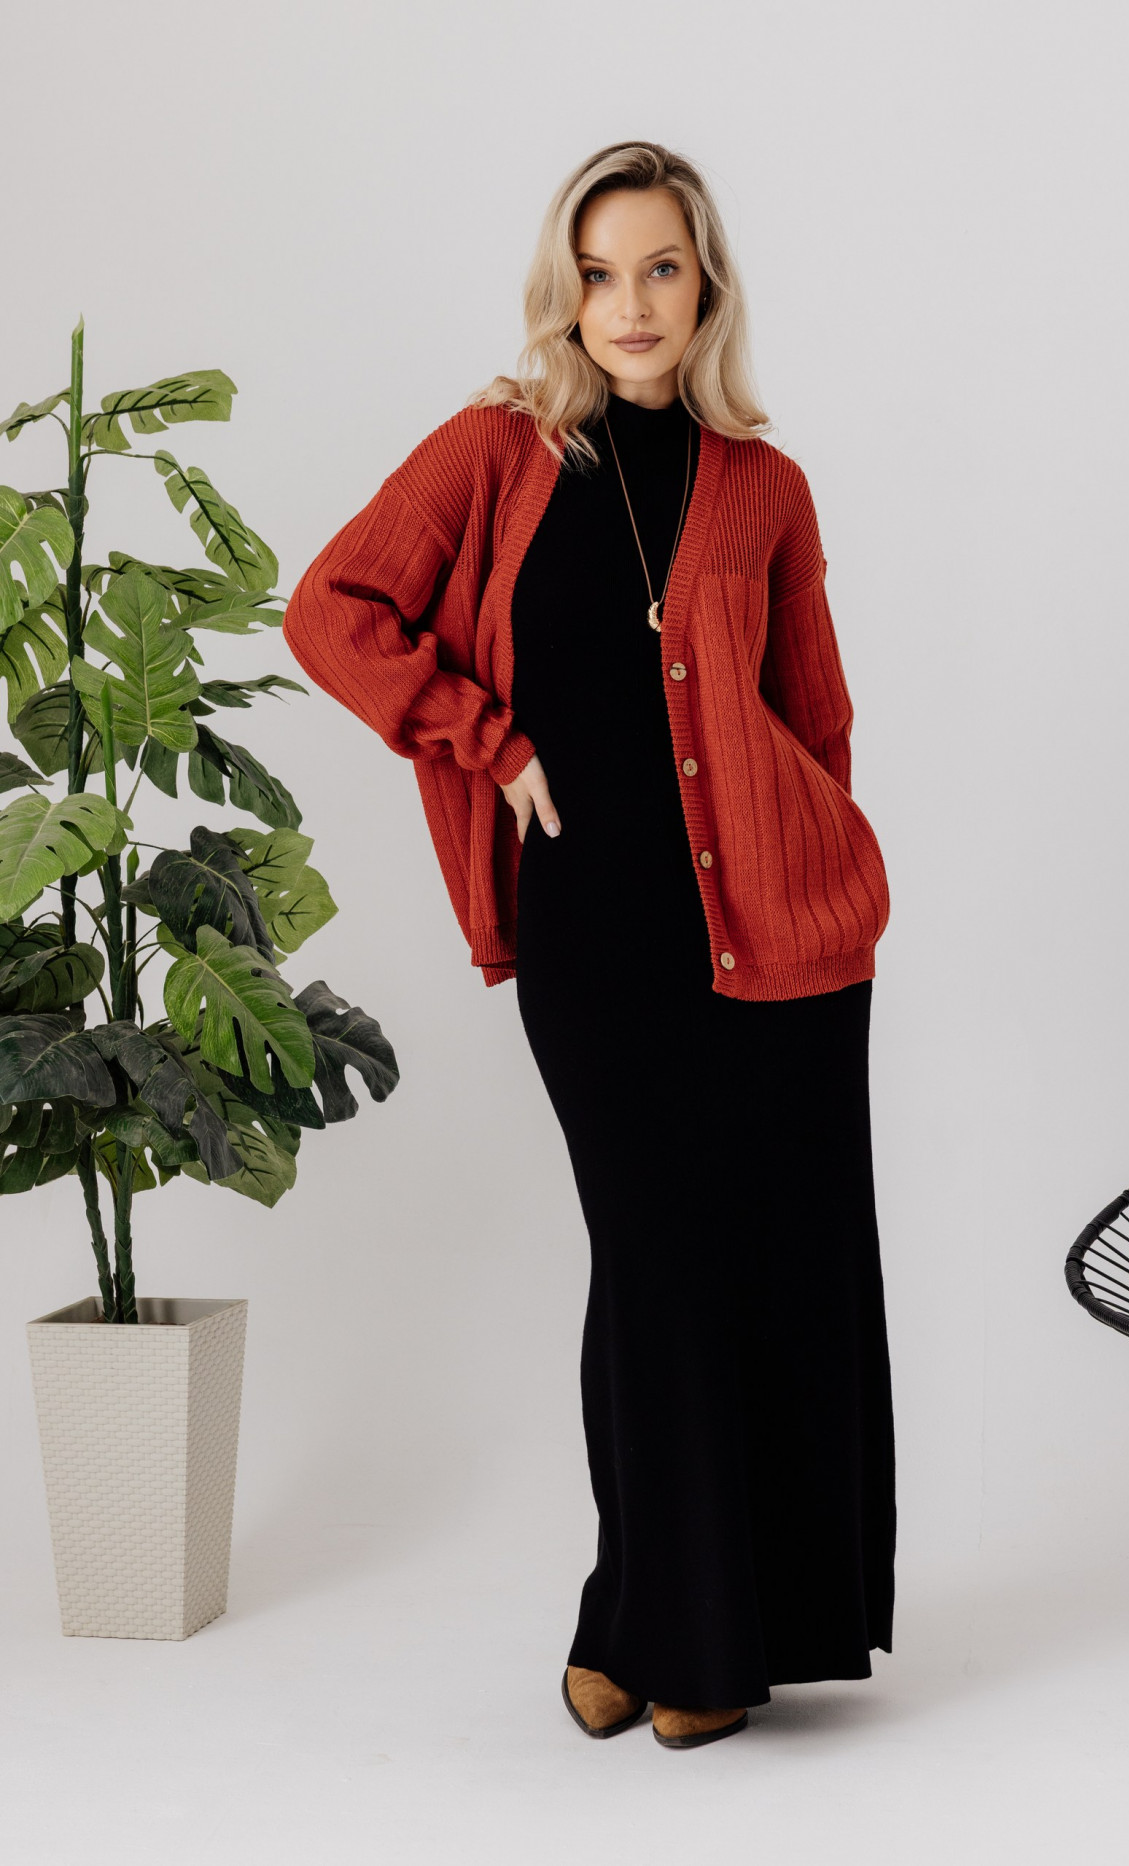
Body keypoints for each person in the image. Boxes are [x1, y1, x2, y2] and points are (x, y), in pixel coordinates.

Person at [282, 139, 895, 1751]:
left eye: (661, 270)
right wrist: (486, 741)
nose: (631, 305)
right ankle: (675, 1626)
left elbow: (816, 721)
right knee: (655, 1257)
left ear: (707, 286)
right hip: (597, 933)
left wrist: (810, 866)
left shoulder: (766, 488)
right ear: (566, 290)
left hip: (781, 946)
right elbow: (333, 607)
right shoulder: (498, 452)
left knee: (765, 1271)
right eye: (601, 274)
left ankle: (655, 1628)